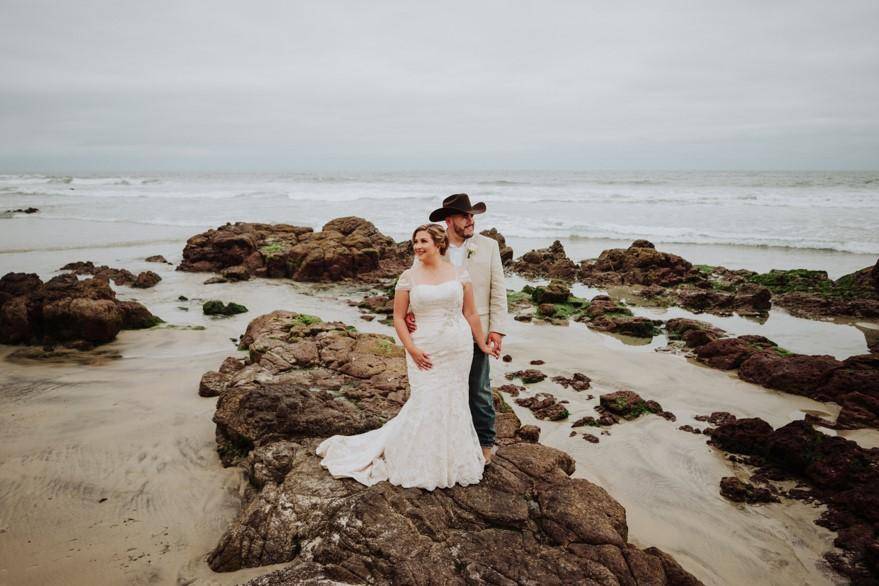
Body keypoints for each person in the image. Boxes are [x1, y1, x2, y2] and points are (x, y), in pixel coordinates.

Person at [316, 223, 500, 491]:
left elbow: (470, 313)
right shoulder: (408, 277)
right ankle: (421, 458)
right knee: (425, 399)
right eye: (415, 242)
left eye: (423, 241)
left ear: (438, 244)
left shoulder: (459, 273)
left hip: (458, 348)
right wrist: (411, 348)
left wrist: (482, 343)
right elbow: (399, 317)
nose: (417, 246)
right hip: (424, 347)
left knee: (454, 400)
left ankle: (451, 458)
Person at [414, 193, 508, 464]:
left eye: (472, 216)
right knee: (441, 387)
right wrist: (411, 314)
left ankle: (485, 443)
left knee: (478, 388)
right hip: (440, 333)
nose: (470, 221)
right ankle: (441, 439)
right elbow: (414, 284)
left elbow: (498, 291)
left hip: (476, 328)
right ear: (448, 220)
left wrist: (497, 330)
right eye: (464, 216)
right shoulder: (431, 246)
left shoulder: (488, 246)